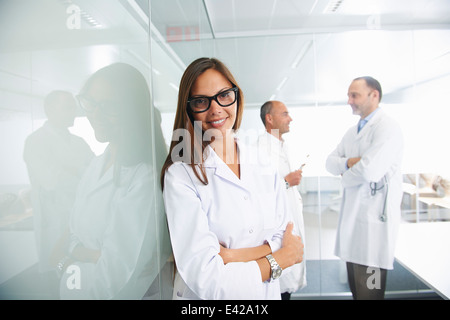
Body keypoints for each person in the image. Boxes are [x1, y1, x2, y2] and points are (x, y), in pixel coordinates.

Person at [161, 57, 304, 300]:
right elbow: (210, 279)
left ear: (236, 96)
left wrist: (231, 256)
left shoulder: (263, 163)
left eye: (224, 95)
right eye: (201, 101)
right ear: (189, 109)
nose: (215, 108)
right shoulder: (181, 174)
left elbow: (287, 236)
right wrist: (278, 258)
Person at [51, 63, 172, 299]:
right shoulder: (98, 163)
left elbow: (111, 284)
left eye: (109, 107)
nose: (95, 113)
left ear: (132, 110)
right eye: (90, 102)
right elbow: (75, 230)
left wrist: (65, 265)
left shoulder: (144, 178)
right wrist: (85, 253)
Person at [325, 76, 403, 299]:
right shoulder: (352, 132)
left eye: (354, 95)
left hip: (374, 232)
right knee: (357, 293)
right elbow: (330, 162)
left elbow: (370, 171)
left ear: (374, 95)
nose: (349, 100)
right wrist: (350, 162)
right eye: (349, 95)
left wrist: (344, 174)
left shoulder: (388, 128)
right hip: (353, 229)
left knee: (371, 294)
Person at [23, 90, 94, 287]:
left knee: (81, 282)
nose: (74, 112)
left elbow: (95, 174)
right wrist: (81, 172)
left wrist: (74, 170)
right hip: (54, 223)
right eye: (68, 107)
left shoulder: (79, 142)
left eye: (74, 107)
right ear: (49, 110)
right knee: (58, 280)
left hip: (80, 221)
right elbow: (53, 181)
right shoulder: (35, 141)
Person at [257, 100, 307, 300]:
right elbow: (258, 190)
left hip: (288, 218)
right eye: (285, 114)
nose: (290, 119)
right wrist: (287, 182)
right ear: (270, 119)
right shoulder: (261, 148)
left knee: (285, 287)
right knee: (277, 286)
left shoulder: (282, 146)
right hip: (275, 227)